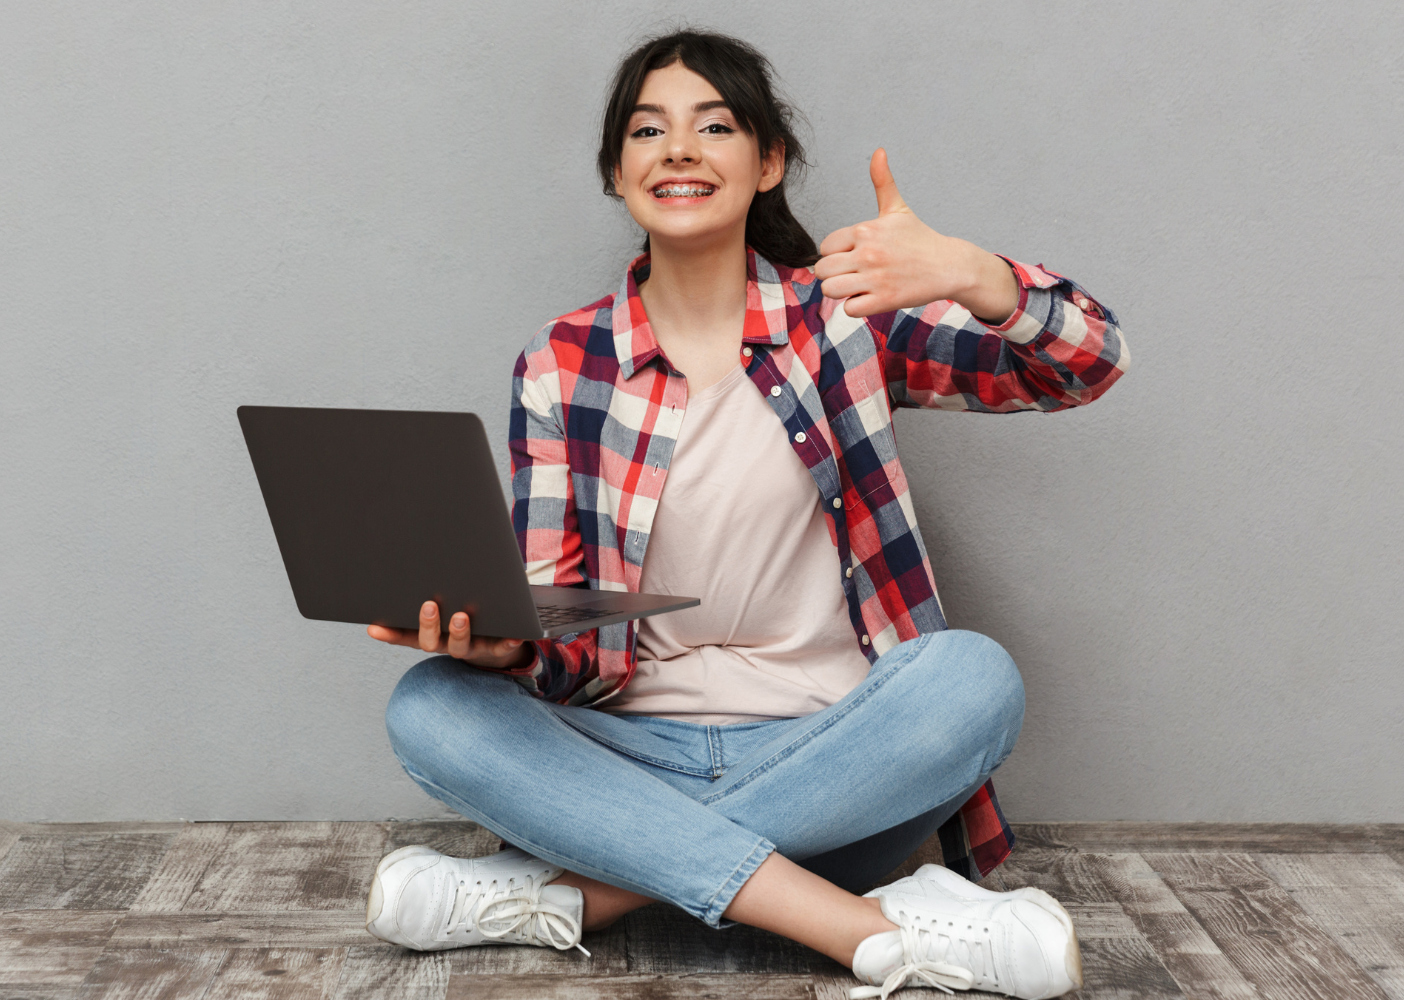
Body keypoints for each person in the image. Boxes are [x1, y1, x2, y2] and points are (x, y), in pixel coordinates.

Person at [363, 29, 1127, 1000]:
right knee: (431, 703)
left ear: (768, 163)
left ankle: (579, 893)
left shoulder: (844, 319)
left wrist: (977, 274)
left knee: (974, 677)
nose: (678, 149)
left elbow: (1086, 363)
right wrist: (501, 647)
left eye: (714, 125)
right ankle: (867, 926)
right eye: (648, 129)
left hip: (838, 759)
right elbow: (558, 619)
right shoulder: (562, 362)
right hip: (625, 753)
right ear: (617, 171)